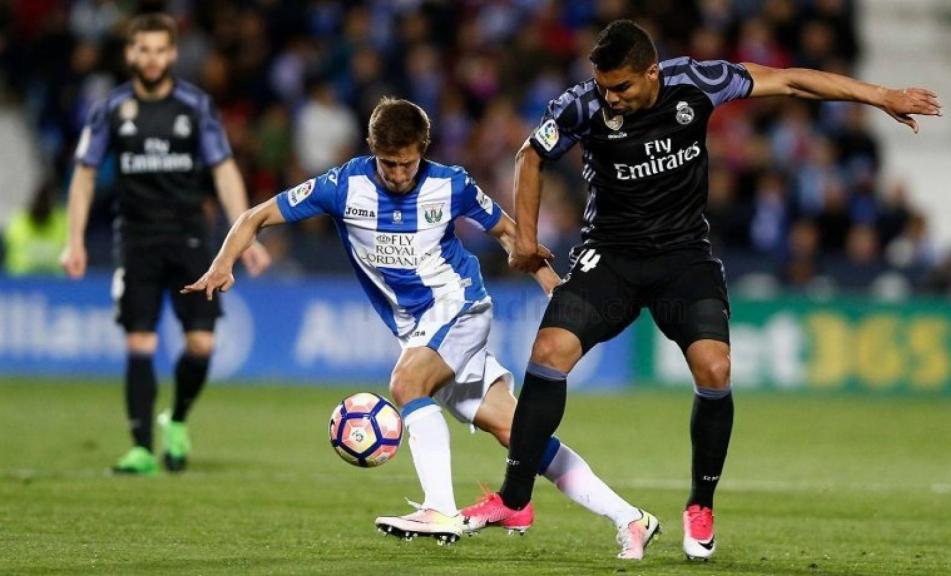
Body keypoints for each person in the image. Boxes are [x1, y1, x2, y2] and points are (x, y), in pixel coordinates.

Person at [461, 19, 942, 561]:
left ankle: (700, 505)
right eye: (603, 87)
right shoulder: (581, 106)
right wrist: (526, 238)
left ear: (651, 72)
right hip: (610, 257)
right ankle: (515, 498)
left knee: (715, 368)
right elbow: (531, 154)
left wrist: (881, 97)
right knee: (548, 353)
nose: (611, 99)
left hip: (683, 257)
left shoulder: (698, 81)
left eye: (622, 87)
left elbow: (790, 82)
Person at [183, 96, 661, 559]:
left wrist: (551, 284)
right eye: (388, 163)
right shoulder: (343, 186)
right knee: (521, 434)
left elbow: (509, 232)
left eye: (407, 164)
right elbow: (255, 216)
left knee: (407, 381)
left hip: (461, 306)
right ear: (374, 152)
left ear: (423, 152)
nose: (397, 174)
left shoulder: (451, 185)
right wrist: (224, 262)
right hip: (418, 329)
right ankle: (631, 517)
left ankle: (440, 509)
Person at [61, 13, 271, 475]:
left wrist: (246, 235)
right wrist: (73, 240)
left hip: (191, 234)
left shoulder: (194, 107)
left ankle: (176, 420)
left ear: (172, 54)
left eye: (161, 50)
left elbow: (223, 169)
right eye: (144, 50)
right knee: (140, 340)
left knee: (200, 344)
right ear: (131, 54)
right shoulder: (111, 109)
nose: (153, 59)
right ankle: (140, 447)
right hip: (135, 236)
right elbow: (84, 174)